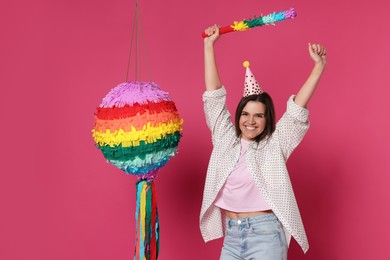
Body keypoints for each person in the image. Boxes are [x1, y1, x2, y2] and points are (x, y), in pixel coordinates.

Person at [200, 24, 327, 260]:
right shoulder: (224, 139)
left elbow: (297, 110)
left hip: (266, 235)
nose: (251, 121)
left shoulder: (274, 144)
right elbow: (214, 98)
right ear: (237, 117)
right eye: (245, 114)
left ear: (267, 119)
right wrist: (209, 46)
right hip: (232, 236)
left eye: (259, 115)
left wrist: (318, 67)